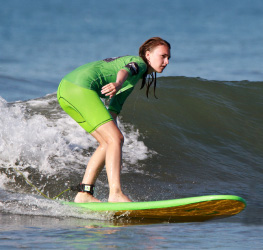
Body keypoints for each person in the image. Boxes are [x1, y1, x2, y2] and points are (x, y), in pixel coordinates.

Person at [57, 37, 171, 203]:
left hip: (66, 91)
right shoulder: (138, 63)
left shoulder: (131, 81)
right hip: (79, 88)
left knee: (108, 142)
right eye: (163, 56)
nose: (166, 61)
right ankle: (116, 194)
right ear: (148, 55)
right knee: (115, 139)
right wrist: (118, 83)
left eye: (168, 58)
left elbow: (113, 114)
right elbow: (125, 71)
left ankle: (84, 193)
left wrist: (117, 152)